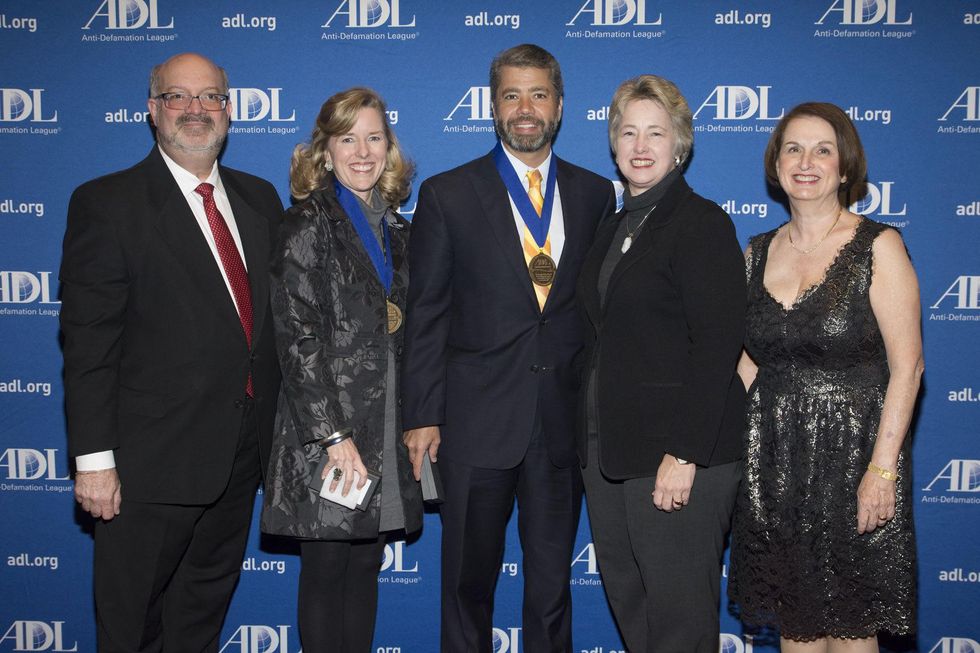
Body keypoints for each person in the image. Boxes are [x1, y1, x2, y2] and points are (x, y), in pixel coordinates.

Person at [61, 53, 283, 652]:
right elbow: (88, 346)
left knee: (200, 619)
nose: (195, 110)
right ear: (152, 111)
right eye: (178, 97)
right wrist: (93, 462)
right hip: (145, 467)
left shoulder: (260, 198)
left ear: (229, 113)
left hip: (240, 458)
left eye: (210, 97)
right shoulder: (107, 204)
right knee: (131, 626)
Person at [401, 44, 616, 652]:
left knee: (551, 589)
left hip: (560, 422)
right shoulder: (448, 194)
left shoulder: (596, 194)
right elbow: (426, 314)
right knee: (468, 584)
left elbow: (597, 315)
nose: (526, 109)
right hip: (474, 422)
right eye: (512, 95)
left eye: (539, 94)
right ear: (492, 105)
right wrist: (422, 412)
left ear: (560, 105)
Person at [728, 102, 921, 651]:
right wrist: (709, 443)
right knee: (798, 630)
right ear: (776, 164)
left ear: (844, 166)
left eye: (822, 149)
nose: (805, 161)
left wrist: (882, 470)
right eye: (793, 148)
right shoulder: (755, 252)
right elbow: (748, 362)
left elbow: (909, 366)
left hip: (856, 455)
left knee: (852, 630)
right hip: (774, 461)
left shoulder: (877, 246)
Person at [575, 75, 746, 652]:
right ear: (613, 143)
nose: (641, 145)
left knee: (677, 620)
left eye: (656, 132)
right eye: (629, 132)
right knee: (631, 602)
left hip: (677, 455)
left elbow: (719, 345)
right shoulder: (615, 226)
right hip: (609, 452)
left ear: (681, 145)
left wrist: (685, 452)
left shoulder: (702, 224)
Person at [260, 87, 422, 653]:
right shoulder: (305, 223)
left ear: (389, 148)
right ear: (324, 151)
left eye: (373, 138)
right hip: (326, 438)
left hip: (382, 431)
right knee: (327, 574)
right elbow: (297, 338)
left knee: (363, 571)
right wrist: (333, 436)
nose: (361, 151)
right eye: (347, 138)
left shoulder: (399, 230)